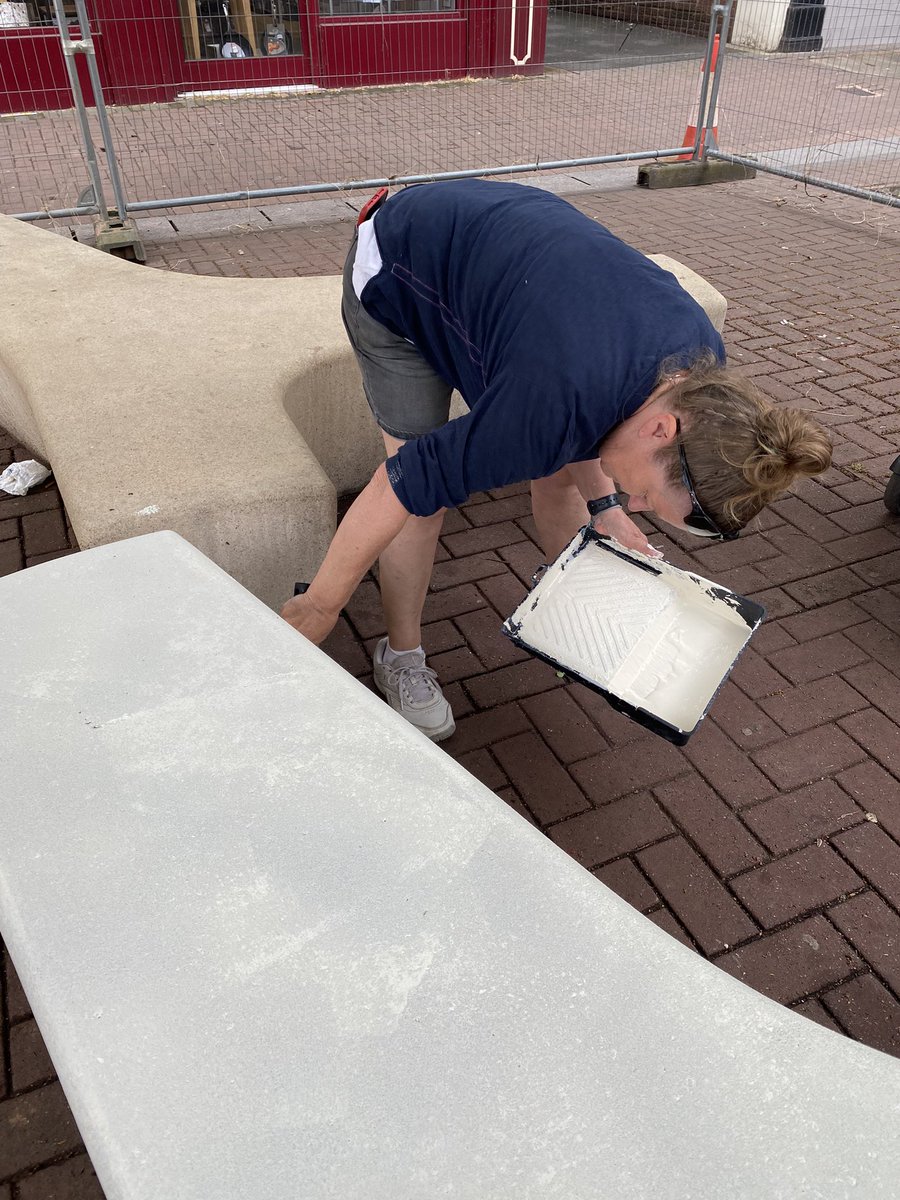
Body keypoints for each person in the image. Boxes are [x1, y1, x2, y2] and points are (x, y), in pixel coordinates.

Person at [281, 179, 832, 741]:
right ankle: (400, 655)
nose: (636, 506)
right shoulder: (545, 409)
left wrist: (605, 507)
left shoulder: (701, 367)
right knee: (419, 502)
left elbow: (602, 419)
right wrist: (322, 607)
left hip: (503, 267)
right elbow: (394, 487)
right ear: (663, 428)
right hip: (401, 260)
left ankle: (568, 604)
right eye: (646, 498)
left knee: (567, 480)